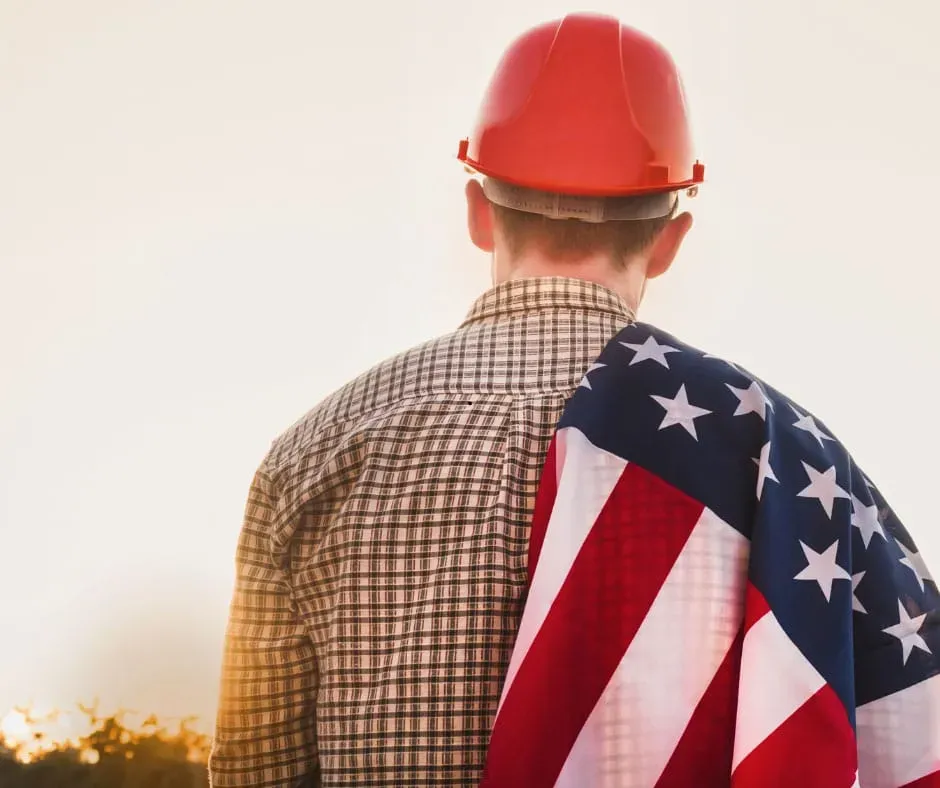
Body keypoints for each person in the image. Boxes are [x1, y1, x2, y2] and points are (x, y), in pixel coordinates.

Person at [209, 11, 939, 787]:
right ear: (671, 237)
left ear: (477, 214)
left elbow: (258, 770)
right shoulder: (781, 451)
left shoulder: (312, 452)